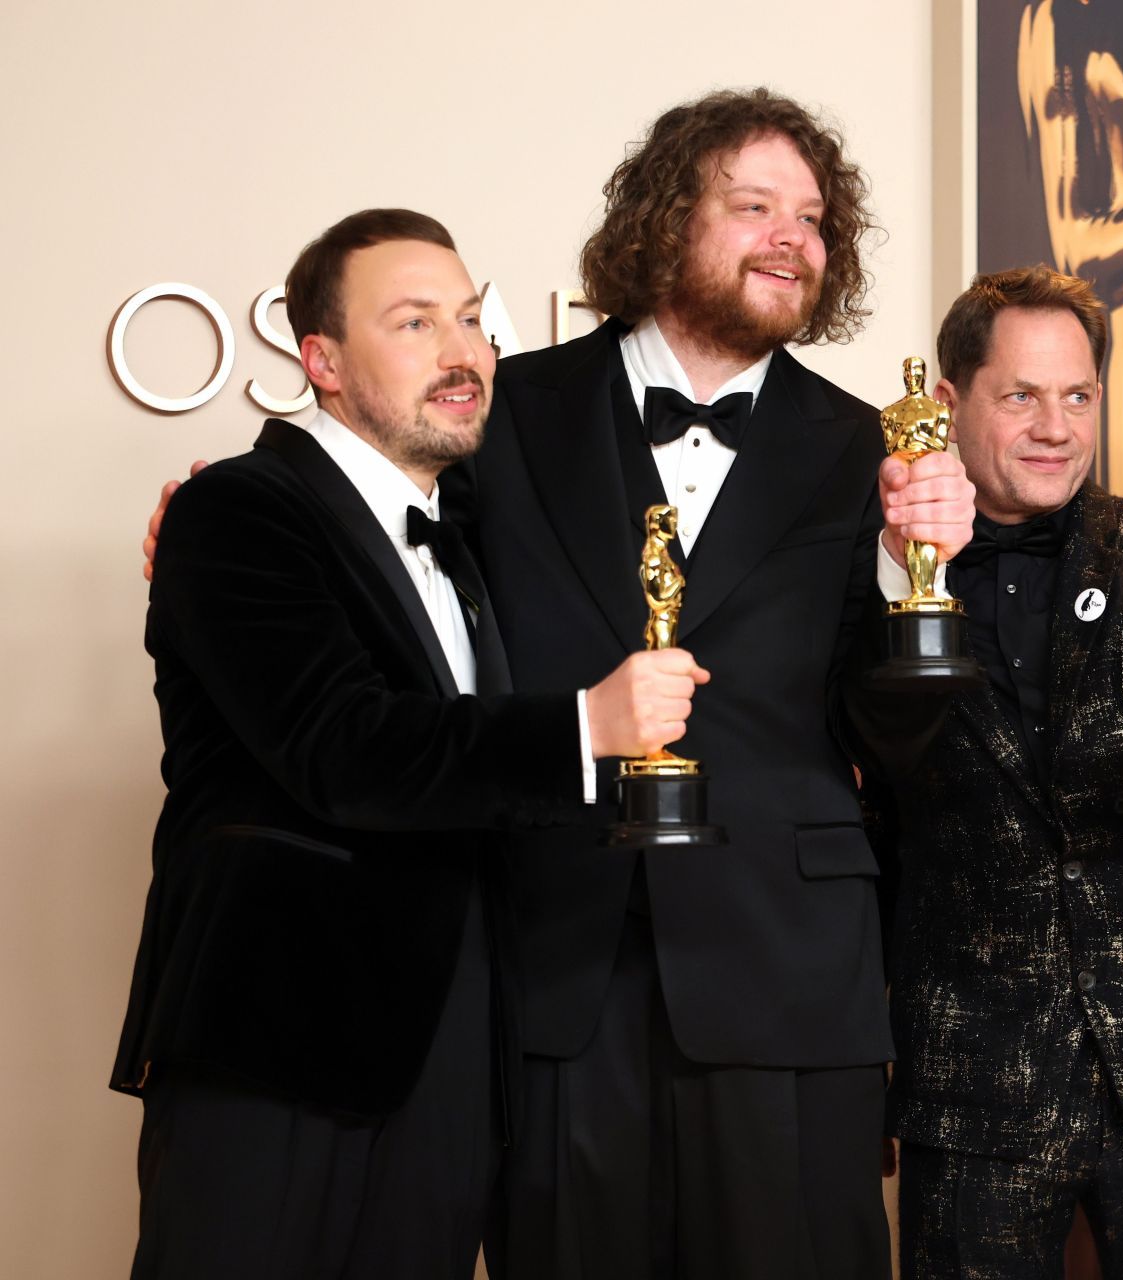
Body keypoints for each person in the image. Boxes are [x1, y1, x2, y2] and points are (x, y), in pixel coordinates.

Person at [451, 89, 972, 1279]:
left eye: (814, 217)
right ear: (663, 216)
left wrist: (911, 575)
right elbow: (406, 586)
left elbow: (888, 734)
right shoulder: (511, 412)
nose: (794, 236)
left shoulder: (866, 449)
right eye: (754, 207)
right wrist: (245, 513)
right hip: (556, 969)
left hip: (789, 971)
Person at [115, 209, 681, 1280]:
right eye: (415, 323)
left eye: (469, 318)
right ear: (319, 360)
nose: (461, 350)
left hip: (452, 1061)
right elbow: (341, 745)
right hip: (277, 1049)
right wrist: (584, 728)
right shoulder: (234, 510)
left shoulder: (459, 534)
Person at [864, 266, 1123, 1279]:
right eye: (1020, 395)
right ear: (950, 402)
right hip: (975, 1085)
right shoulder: (875, 567)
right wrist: (899, 565)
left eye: (1079, 395)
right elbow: (869, 743)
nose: (1056, 426)